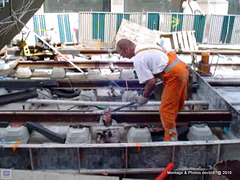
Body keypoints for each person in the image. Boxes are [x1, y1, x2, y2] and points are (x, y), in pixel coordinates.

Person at [116, 39, 189, 141]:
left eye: (121, 54)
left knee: (166, 111)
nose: (123, 57)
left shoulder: (138, 58)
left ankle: (171, 141)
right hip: (181, 69)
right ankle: (182, 128)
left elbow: (151, 82)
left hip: (174, 76)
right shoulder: (145, 45)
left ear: (126, 49)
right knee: (178, 106)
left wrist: (144, 96)